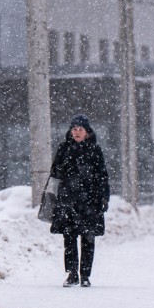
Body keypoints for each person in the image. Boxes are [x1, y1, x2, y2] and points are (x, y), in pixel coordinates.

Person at [49, 114, 110, 287]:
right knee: (69, 238)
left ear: (87, 132)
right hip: (67, 201)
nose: (76, 132)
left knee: (88, 238)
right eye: (74, 129)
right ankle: (72, 274)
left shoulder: (95, 150)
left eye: (80, 129)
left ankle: (85, 275)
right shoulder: (63, 149)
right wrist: (53, 197)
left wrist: (104, 197)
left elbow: (102, 176)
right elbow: (54, 174)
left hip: (90, 201)